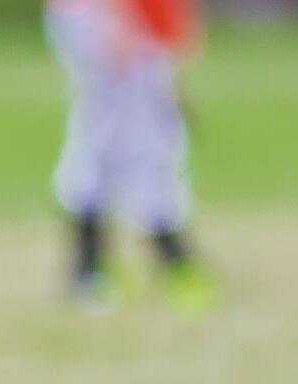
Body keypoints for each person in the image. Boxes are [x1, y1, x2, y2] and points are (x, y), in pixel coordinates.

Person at [45, 0, 213, 309]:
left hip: (128, 18)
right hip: (111, 16)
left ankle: (99, 266)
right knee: (116, 139)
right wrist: (117, 15)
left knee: (135, 134)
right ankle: (153, 258)